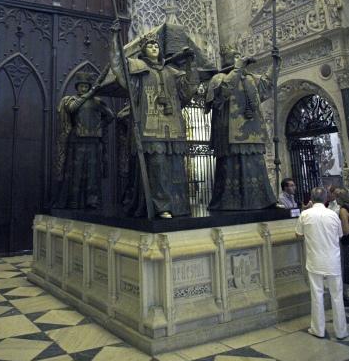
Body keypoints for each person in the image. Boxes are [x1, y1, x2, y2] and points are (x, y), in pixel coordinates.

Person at [110, 26, 199, 218]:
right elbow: (118, 67)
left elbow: (188, 89)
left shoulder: (171, 71)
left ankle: (178, 205)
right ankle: (161, 206)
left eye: (155, 45)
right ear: (143, 50)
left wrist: (190, 64)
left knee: (175, 166)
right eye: (149, 45)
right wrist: (115, 38)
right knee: (157, 166)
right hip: (149, 128)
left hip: (173, 126)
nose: (153, 48)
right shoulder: (138, 69)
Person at [205, 47, 276, 210]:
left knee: (256, 165)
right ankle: (230, 202)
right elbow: (222, 93)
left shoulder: (250, 78)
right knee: (231, 166)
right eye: (234, 56)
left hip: (252, 130)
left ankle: (262, 200)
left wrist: (274, 64)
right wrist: (237, 68)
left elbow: (265, 86)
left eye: (239, 55)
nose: (239, 58)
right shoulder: (219, 77)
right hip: (228, 131)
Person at [55, 71, 114, 210]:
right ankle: (74, 200)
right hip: (77, 141)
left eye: (86, 86)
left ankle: (92, 201)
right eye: (81, 86)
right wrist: (90, 94)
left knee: (93, 173)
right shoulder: (71, 100)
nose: (84, 88)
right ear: (77, 87)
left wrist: (99, 126)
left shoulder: (97, 102)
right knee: (76, 172)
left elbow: (110, 116)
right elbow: (72, 108)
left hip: (94, 141)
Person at [295, 186, 348, 340]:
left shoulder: (305, 215)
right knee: (337, 295)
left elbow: (298, 234)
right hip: (332, 260)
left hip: (315, 260)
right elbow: (340, 234)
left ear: (311, 199)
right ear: (326, 199)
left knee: (317, 294)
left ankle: (318, 329)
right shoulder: (332, 215)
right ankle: (341, 331)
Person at [335, 188, 349, 303]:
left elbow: (346, 230)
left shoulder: (343, 210)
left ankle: (346, 294)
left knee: (346, 266)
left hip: (347, 242)